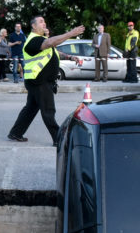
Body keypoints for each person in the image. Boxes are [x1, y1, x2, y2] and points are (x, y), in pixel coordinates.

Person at [7, 16, 84, 145]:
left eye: (44, 21)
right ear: (33, 26)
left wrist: (69, 57)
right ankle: (58, 139)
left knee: (30, 109)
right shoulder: (33, 40)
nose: (44, 23)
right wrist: (71, 33)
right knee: (48, 110)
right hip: (39, 81)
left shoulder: (41, 40)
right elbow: (50, 44)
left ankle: (16, 133)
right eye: (41, 22)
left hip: (36, 81)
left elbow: (53, 51)